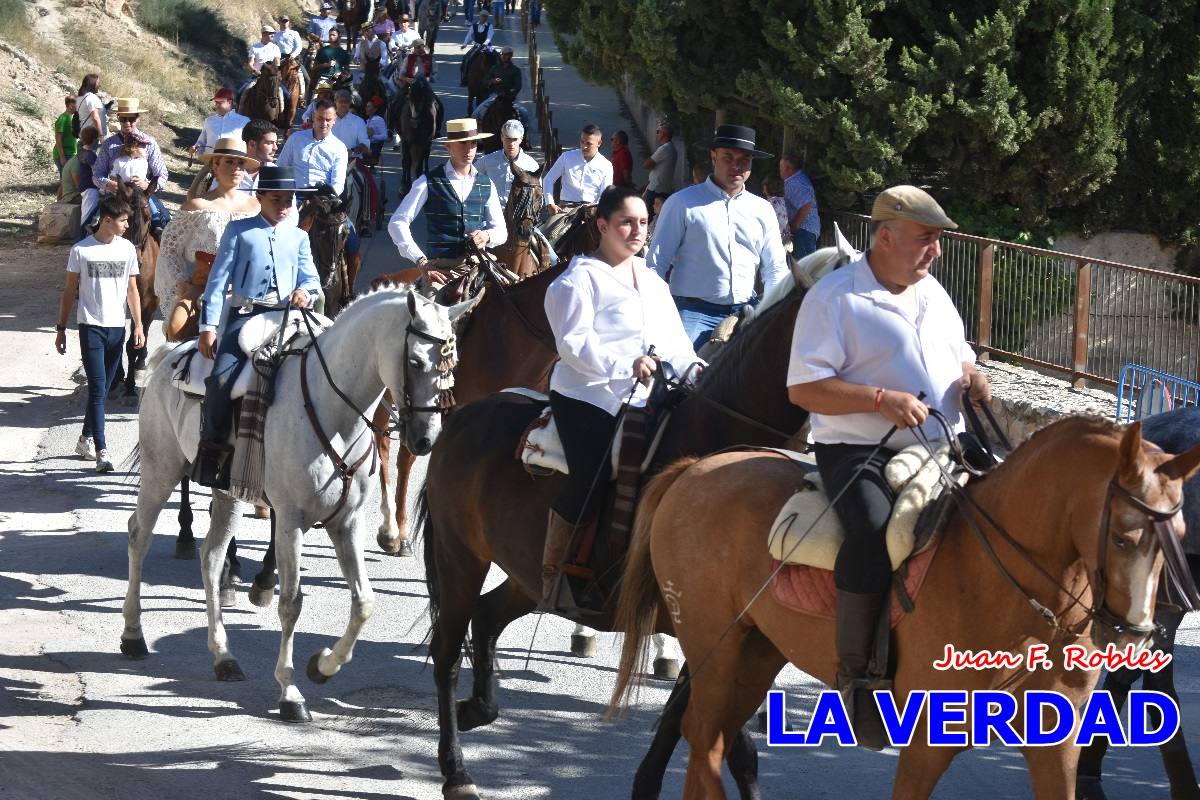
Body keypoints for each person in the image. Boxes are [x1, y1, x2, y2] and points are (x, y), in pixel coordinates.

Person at [785, 185, 989, 750]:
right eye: (927, 240)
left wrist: (974, 376)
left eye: (938, 241)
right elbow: (804, 388)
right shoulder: (834, 298)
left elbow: (961, 353)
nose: (937, 252)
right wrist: (879, 400)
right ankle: (857, 680)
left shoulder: (935, 293)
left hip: (944, 444)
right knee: (873, 533)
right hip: (859, 449)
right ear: (885, 236)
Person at [539, 185, 700, 613]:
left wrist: (696, 369)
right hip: (587, 394)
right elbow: (573, 345)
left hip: (649, 393)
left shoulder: (651, 280)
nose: (636, 231)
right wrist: (626, 363)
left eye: (643, 222)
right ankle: (554, 574)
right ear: (603, 226)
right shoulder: (577, 280)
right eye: (627, 222)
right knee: (591, 474)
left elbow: (675, 342)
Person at [192, 166, 320, 486]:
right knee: (221, 381)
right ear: (260, 197)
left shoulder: (299, 237)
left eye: (288, 200)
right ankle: (211, 451)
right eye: (276, 199)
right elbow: (218, 282)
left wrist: (305, 291)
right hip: (245, 316)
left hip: (287, 317)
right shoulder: (239, 231)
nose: (283, 207)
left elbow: (312, 279)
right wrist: (208, 326)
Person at [647, 123, 787, 348]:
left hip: (746, 311)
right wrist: (655, 313)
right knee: (676, 374)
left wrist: (770, 311)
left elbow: (775, 268)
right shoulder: (682, 203)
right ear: (713, 158)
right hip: (692, 312)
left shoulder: (762, 210)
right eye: (728, 158)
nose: (736, 166)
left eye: (744, 160)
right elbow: (655, 264)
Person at [54, 196, 145, 472]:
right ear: (107, 220)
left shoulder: (127, 249)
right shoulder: (81, 250)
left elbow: (132, 290)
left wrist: (138, 325)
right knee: (96, 389)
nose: (128, 225)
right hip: (90, 327)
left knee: (103, 390)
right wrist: (61, 328)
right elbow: (70, 291)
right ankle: (102, 450)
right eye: (123, 220)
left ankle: (84, 438)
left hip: (117, 328)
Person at [387, 118, 507, 288]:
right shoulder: (427, 182)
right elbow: (397, 222)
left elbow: (501, 231)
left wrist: (487, 236)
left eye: (473, 143)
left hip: (479, 266)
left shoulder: (487, 183)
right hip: (441, 270)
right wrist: (420, 260)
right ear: (448, 146)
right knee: (431, 313)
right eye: (462, 144)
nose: (469, 149)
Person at [476, 119, 558, 264]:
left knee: (551, 258)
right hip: (489, 219)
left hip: (520, 221)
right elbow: (470, 181)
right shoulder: (487, 161)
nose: (511, 143)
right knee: (472, 250)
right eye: (507, 139)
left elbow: (539, 197)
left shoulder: (530, 164)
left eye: (514, 139)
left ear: (521, 139)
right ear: (502, 138)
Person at [92, 98, 170, 231]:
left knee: (166, 221)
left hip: (142, 194)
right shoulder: (109, 144)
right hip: (115, 195)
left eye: (132, 119)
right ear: (118, 118)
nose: (127, 123)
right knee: (94, 225)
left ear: (138, 118)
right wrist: (109, 184)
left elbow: (162, 174)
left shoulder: (149, 143)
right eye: (123, 119)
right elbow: (97, 174)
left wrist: (148, 185)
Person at [277, 99, 348, 195]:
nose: (324, 124)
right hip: (293, 196)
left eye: (328, 120)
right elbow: (281, 166)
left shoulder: (339, 148)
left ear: (334, 120)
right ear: (313, 116)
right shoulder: (295, 139)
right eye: (320, 118)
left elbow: (338, 184)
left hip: (322, 199)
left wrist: (328, 199)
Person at [542, 124, 613, 213]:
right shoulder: (567, 157)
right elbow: (548, 179)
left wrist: (596, 207)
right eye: (582, 142)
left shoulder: (606, 165)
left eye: (588, 143)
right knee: (547, 227)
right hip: (566, 208)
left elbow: (605, 193)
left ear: (599, 143)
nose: (584, 146)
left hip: (592, 210)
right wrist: (550, 203)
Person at [471, 46, 532, 134]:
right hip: (494, 96)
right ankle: (479, 136)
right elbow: (485, 81)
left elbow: (517, 86)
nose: (503, 56)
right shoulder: (494, 68)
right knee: (475, 114)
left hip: (509, 98)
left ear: (510, 56)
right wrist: (492, 81)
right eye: (502, 54)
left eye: (505, 55)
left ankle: (524, 138)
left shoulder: (516, 70)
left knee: (524, 114)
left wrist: (510, 94)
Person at [781, 151, 820, 259]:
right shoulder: (799, 179)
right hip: (807, 230)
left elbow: (806, 205)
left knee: (805, 268)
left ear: (787, 168)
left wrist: (795, 225)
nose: (780, 170)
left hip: (804, 230)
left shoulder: (794, 182)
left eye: (781, 167)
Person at [191, 88, 251, 157]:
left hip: (234, 164)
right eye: (216, 102)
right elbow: (201, 143)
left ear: (229, 102)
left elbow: (250, 146)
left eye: (220, 102)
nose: (217, 105)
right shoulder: (209, 121)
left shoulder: (244, 121)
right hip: (211, 163)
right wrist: (195, 150)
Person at [641, 121, 676, 213]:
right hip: (662, 189)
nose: (656, 134)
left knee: (649, 216)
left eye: (657, 132)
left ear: (663, 134)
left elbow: (646, 164)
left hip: (657, 190)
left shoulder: (665, 148)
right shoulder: (671, 148)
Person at [459, 10, 492, 86]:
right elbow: (469, 35)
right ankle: (465, 78)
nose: (483, 18)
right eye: (482, 16)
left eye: (485, 17)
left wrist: (485, 44)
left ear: (487, 18)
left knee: (496, 57)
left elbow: (489, 37)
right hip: (477, 46)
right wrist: (464, 44)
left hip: (486, 46)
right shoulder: (474, 26)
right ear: (479, 16)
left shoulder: (490, 26)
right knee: (466, 58)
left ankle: (496, 79)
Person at [75, 127, 101, 226]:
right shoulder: (91, 156)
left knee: (89, 213)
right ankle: (81, 238)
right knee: (87, 216)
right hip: (90, 188)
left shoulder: (81, 151)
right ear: (94, 139)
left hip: (84, 186)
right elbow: (96, 172)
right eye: (97, 138)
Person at [762, 174, 791, 248]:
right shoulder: (782, 201)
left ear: (769, 187)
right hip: (785, 237)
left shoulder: (769, 203)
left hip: (774, 238)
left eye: (765, 185)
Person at [54, 96, 78, 174]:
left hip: (71, 154)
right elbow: (58, 138)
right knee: (66, 182)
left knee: (67, 182)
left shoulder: (71, 118)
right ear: (71, 105)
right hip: (65, 155)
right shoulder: (63, 118)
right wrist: (62, 157)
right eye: (77, 104)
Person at [364, 97, 389, 163]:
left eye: (368, 107)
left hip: (373, 148)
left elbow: (385, 136)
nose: (366, 108)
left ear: (375, 109)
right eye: (366, 106)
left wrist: (372, 136)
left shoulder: (379, 120)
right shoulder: (368, 121)